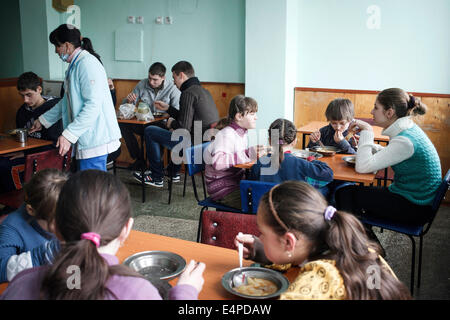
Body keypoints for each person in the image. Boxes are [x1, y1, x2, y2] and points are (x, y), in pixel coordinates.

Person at [0, 170, 205, 300]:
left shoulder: (21, 284)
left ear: (56, 227)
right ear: (126, 228)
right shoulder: (138, 292)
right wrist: (185, 293)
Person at [235, 181, 411, 300]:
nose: (259, 238)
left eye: (262, 233)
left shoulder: (313, 285)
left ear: (289, 242)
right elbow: (298, 257)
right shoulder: (357, 249)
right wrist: (262, 252)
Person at [335, 88, 442, 226]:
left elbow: (362, 168)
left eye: (376, 107)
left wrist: (368, 131)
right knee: (353, 196)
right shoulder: (408, 130)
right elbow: (395, 153)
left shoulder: (405, 141)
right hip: (412, 197)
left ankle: (354, 240)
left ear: (389, 112)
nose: (371, 112)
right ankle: (358, 237)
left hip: (415, 207)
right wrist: (373, 147)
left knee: (344, 194)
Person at [29, 24, 121, 172]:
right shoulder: (74, 66)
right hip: (86, 138)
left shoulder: (87, 64)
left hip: (95, 139)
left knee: (91, 190)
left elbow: (92, 105)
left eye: (56, 46)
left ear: (66, 45)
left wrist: (68, 135)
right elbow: (66, 102)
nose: (56, 51)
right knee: (84, 187)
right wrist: (43, 120)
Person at [134, 61, 219, 188]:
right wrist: (168, 108)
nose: (173, 82)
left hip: (193, 146)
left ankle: (156, 176)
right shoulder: (203, 91)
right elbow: (188, 119)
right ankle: (172, 172)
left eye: (174, 77)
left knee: (150, 131)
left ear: (181, 75)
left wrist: (171, 122)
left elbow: (183, 128)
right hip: (205, 144)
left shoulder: (188, 93)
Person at [0, 169, 68, 283]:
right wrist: (43, 254)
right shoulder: (12, 227)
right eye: (55, 222)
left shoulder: (67, 211)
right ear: (31, 210)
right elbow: (1, 270)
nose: (65, 226)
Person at [0, 72, 63, 194]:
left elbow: (55, 144)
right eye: (22, 96)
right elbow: (21, 136)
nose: (25, 100)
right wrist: (22, 151)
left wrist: (26, 153)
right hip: (28, 152)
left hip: (47, 155)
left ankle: (19, 201)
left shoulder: (53, 109)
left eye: (29, 95)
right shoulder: (22, 111)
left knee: (5, 166)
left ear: (39, 89)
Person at [204, 95, 264, 209]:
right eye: (252, 114)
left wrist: (251, 153)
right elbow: (218, 162)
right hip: (224, 190)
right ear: (239, 116)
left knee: (265, 196)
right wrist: (247, 154)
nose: (256, 117)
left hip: (235, 183)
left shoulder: (241, 133)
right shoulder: (227, 135)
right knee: (262, 205)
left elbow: (236, 156)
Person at [249, 118, 333, 198]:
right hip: (294, 211)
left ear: (270, 141)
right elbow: (328, 175)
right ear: (294, 141)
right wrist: (312, 160)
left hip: (267, 209)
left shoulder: (259, 164)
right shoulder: (301, 164)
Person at [121, 62, 181, 170]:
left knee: (154, 130)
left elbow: (177, 111)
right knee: (123, 125)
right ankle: (139, 159)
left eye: (155, 79)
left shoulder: (172, 88)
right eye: (149, 78)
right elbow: (128, 106)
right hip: (144, 121)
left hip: (163, 123)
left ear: (163, 77)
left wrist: (171, 123)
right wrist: (129, 101)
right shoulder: (142, 84)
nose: (151, 82)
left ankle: (156, 167)